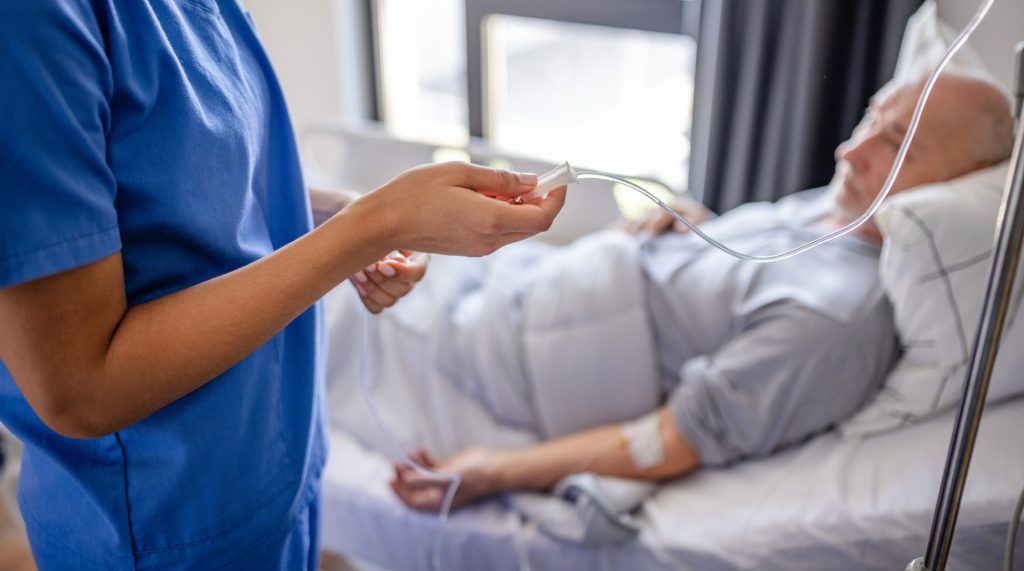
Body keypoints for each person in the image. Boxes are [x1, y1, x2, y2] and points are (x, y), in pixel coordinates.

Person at [0, 0, 563, 570]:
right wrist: (374, 224)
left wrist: (341, 213)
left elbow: (193, 174)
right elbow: (81, 388)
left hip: (274, 462)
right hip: (166, 523)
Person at [372, 72, 1014, 512]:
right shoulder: (838, 208)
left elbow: (670, 440)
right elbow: (753, 279)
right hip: (527, 285)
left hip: (496, 357)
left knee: (342, 286)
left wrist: (491, 471)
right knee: (368, 238)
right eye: (874, 115)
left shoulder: (837, 323)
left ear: (957, 184)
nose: (851, 150)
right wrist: (697, 230)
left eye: (896, 143)